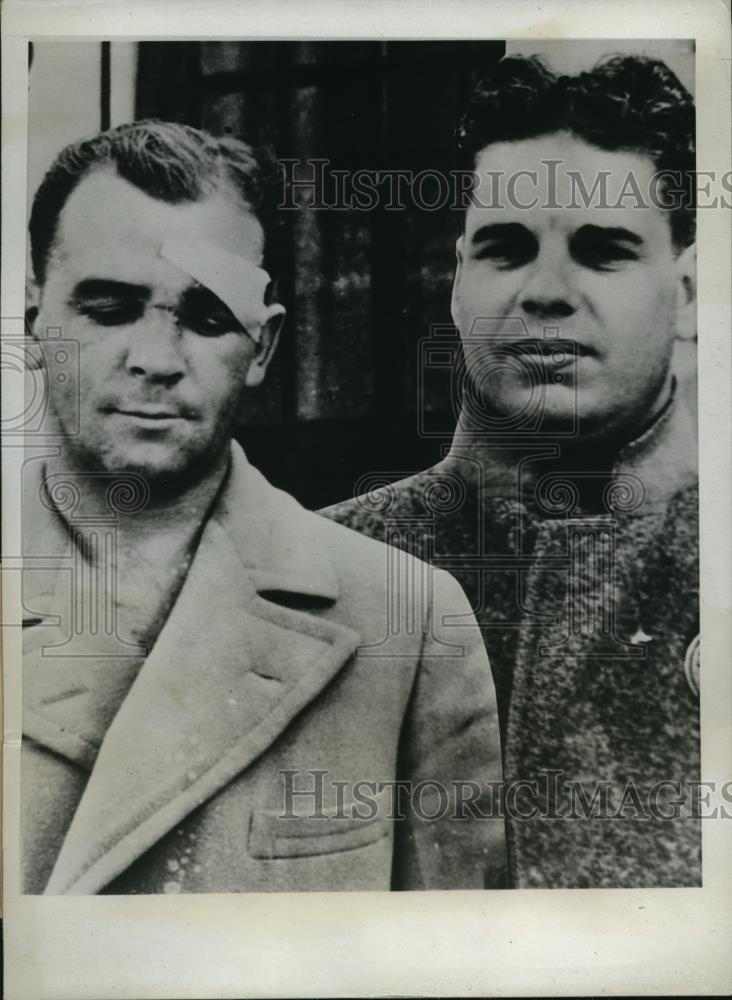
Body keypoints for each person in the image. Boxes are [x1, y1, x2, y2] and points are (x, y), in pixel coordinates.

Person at [21, 120, 505, 894]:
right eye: (109, 308)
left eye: (208, 318)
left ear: (264, 347)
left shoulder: (406, 626)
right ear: (34, 322)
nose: (155, 359)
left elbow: (448, 957)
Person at [323, 55, 700, 888]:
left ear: (690, 288)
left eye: (603, 251)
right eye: (506, 248)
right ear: (458, 279)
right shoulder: (322, 574)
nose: (547, 291)